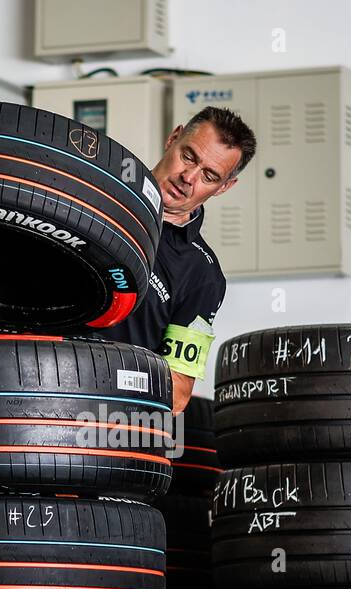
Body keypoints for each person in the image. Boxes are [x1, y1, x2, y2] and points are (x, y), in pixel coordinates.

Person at [100, 107, 257, 413]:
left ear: (224, 187)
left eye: (209, 176)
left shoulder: (203, 275)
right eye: (189, 156)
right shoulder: (93, 192)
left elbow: (177, 393)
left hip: (99, 422)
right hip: (10, 386)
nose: (188, 178)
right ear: (173, 138)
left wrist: (91, 374)